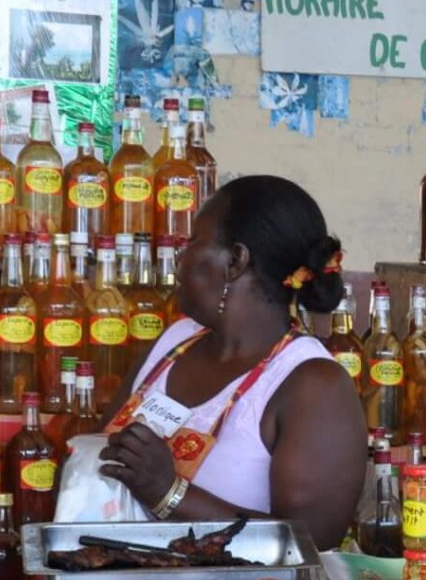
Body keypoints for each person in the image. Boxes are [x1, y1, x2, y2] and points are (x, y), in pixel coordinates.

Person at [97, 176, 369, 550]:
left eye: (194, 241)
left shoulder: (313, 385)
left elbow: (310, 543)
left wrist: (170, 493)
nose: (180, 257)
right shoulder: (173, 343)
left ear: (236, 261)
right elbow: (99, 454)